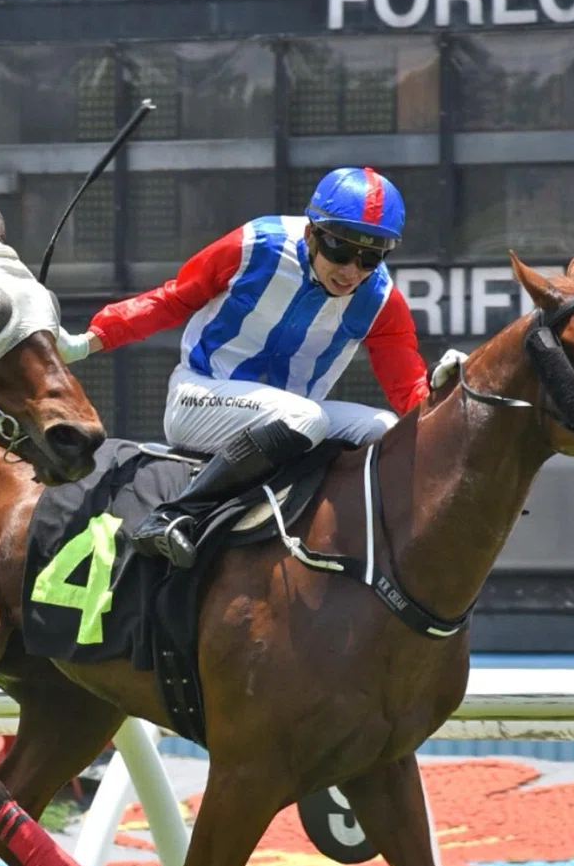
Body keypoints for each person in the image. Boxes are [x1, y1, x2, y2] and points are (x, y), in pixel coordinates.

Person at [57, 166, 427, 568]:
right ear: (311, 234)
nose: (352, 270)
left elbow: (411, 391)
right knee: (307, 418)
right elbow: (173, 299)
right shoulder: (257, 245)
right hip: (200, 400)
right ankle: (175, 514)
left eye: (370, 257)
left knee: (385, 430)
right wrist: (88, 341)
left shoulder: (380, 298)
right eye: (340, 251)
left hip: (291, 421)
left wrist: (451, 397)